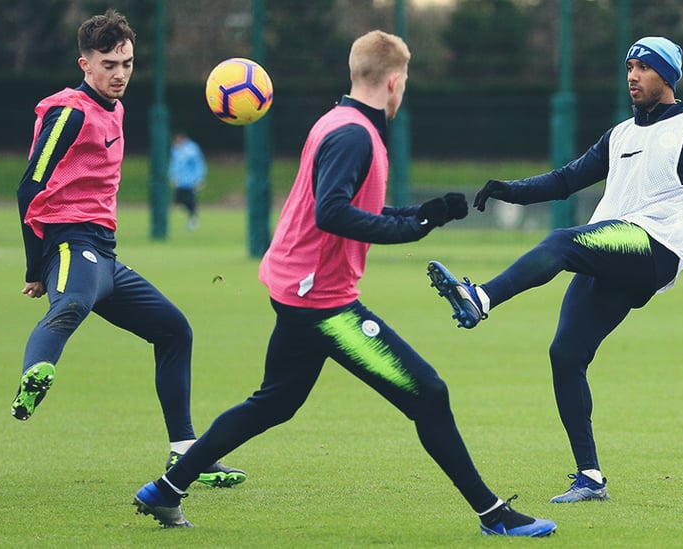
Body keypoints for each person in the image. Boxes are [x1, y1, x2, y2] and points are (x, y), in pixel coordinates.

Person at [132, 30, 556, 537]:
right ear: (395, 82)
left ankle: (165, 489)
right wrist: (415, 227)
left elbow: (354, 207)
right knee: (429, 394)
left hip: (297, 290)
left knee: (274, 402)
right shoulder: (355, 134)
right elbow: (332, 212)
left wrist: (424, 214)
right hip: (322, 304)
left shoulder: (340, 121)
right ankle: (494, 516)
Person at [427, 36, 683, 504]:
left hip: (653, 248)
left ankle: (481, 298)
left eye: (642, 67)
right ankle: (590, 477)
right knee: (566, 356)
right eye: (628, 66)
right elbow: (566, 180)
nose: (631, 75)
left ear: (667, 77)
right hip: (610, 251)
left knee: (560, 243)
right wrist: (509, 189)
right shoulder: (620, 134)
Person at [12, 9, 245, 488]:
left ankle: (184, 454)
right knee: (72, 303)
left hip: (104, 253)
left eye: (127, 63)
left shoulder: (114, 108)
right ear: (85, 64)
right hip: (71, 243)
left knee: (175, 331)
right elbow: (28, 187)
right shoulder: (69, 110)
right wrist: (36, 267)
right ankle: (35, 374)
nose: (119, 74)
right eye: (108, 64)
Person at [169, 132, 207, 231]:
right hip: (180, 181)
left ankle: (193, 218)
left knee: (190, 200)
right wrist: (172, 176)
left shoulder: (192, 149)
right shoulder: (176, 149)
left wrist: (200, 178)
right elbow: (174, 164)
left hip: (190, 181)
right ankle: (190, 215)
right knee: (179, 199)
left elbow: (198, 164)